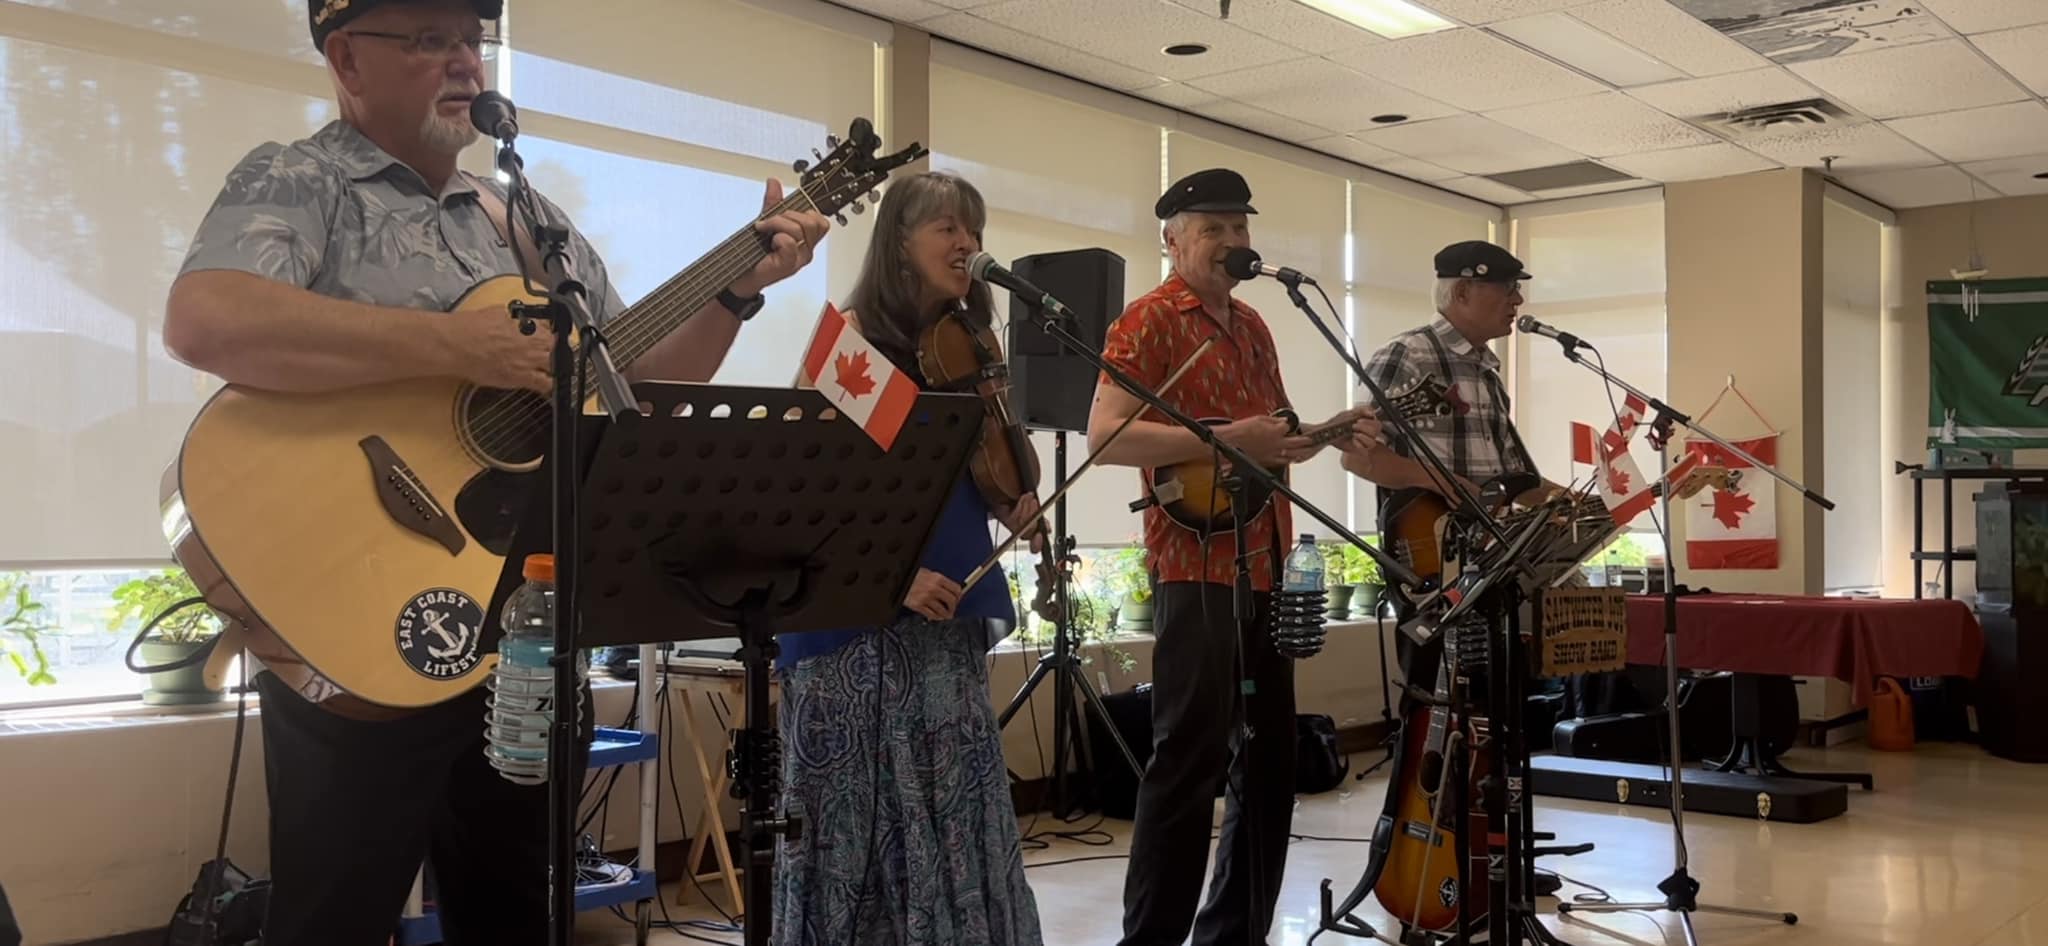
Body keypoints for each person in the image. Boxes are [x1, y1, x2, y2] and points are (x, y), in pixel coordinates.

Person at [162, 1, 829, 942]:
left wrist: (736, 289)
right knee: (334, 916)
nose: (465, 63)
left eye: (471, 41)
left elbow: (635, 376)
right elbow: (207, 319)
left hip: (521, 621)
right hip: (356, 611)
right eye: (429, 40)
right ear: (346, 59)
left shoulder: (525, 220)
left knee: (515, 905)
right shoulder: (301, 178)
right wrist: (454, 347)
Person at [1087, 168, 1379, 946]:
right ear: (1173, 240)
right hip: (1196, 566)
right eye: (1212, 228)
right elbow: (1106, 437)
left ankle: (1236, 933)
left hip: (1266, 561)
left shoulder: (1254, 324)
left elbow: (1271, 441)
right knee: (1188, 760)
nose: (1232, 241)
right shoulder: (1148, 321)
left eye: (1240, 227)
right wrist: (1223, 440)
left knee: (1271, 760)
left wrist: (1326, 433)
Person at [772, 170, 1044, 946]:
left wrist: (1011, 502)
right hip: (853, 624)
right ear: (899, 242)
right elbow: (805, 495)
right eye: (947, 228)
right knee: (856, 827)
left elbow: (963, 477)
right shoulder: (852, 344)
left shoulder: (966, 347)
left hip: (943, 619)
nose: (967, 244)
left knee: (956, 816)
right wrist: (892, 577)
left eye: (974, 229)